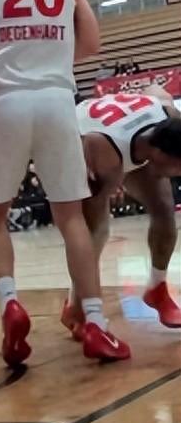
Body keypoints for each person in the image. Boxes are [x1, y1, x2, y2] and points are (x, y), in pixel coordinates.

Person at [0, 0, 128, 363]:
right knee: (71, 217)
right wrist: (46, 54)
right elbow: (91, 45)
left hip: (5, 103)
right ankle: (95, 323)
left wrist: (14, 52)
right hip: (57, 102)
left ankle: (11, 305)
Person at [72, 90, 181, 333]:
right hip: (88, 142)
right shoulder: (103, 151)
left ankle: (157, 288)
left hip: (125, 134)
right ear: (161, 154)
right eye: (179, 167)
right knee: (95, 232)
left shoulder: (171, 116)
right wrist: (112, 182)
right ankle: (76, 304)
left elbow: (157, 89)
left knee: (165, 210)